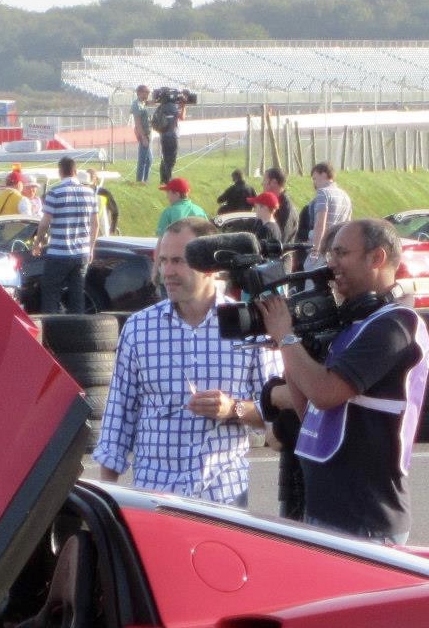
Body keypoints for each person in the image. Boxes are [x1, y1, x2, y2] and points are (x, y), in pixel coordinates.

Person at [259, 217, 429, 545]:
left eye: (341, 253)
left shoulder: (396, 325)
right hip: (325, 511)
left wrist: (285, 336)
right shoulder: (355, 324)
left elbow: (326, 393)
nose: (331, 264)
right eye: (330, 255)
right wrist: (295, 343)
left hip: (365, 518)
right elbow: (309, 409)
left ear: (376, 258)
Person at [92, 218, 280, 504]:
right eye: (163, 260)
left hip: (223, 499)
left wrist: (233, 408)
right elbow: (118, 422)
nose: (167, 272)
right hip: (154, 499)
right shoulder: (138, 328)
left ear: (211, 268)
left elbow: (277, 412)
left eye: (179, 261)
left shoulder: (249, 326)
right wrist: (106, 505)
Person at [32, 156, 98, 315]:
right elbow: (95, 224)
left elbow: (45, 223)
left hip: (59, 253)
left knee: (51, 295)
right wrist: (91, 248)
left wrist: (37, 242)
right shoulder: (90, 193)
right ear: (75, 171)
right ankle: (77, 333)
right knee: (78, 297)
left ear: (60, 172)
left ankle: (52, 333)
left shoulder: (55, 193)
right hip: (82, 253)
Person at [303, 162, 353, 257]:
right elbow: (347, 225)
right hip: (338, 249)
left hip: (323, 247)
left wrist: (315, 251)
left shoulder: (323, 193)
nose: (314, 183)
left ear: (324, 174)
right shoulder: (345, 196)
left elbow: (320, 224)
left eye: (314, 178)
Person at [152, 90, 184, 185]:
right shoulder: (172, 107)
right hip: (172, 136)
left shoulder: (160, 107)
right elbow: (182, 117)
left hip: (163, 136)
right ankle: (168, 179)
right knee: (171, 159)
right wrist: (183, 106)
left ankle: (163, 179)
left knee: (165, 157)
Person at [262, 168, 297, 247]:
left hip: (280, 257)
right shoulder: (272, 203)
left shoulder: (285, 207)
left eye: (264, 180)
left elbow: (282, 239)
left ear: (274, 182)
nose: (262, 183)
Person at [130, 86, 154, 184]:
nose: (147, 95)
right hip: (144, 134)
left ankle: (145, 180)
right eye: (145, 93)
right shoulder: (136, 104)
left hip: (148, 133)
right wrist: (143, 137)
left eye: (148, 93)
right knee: (143, 159)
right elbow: (138, 123)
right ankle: (140, 180)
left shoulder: (143, 103)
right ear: (139, 93)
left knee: (148, 159)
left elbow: (149, 103)